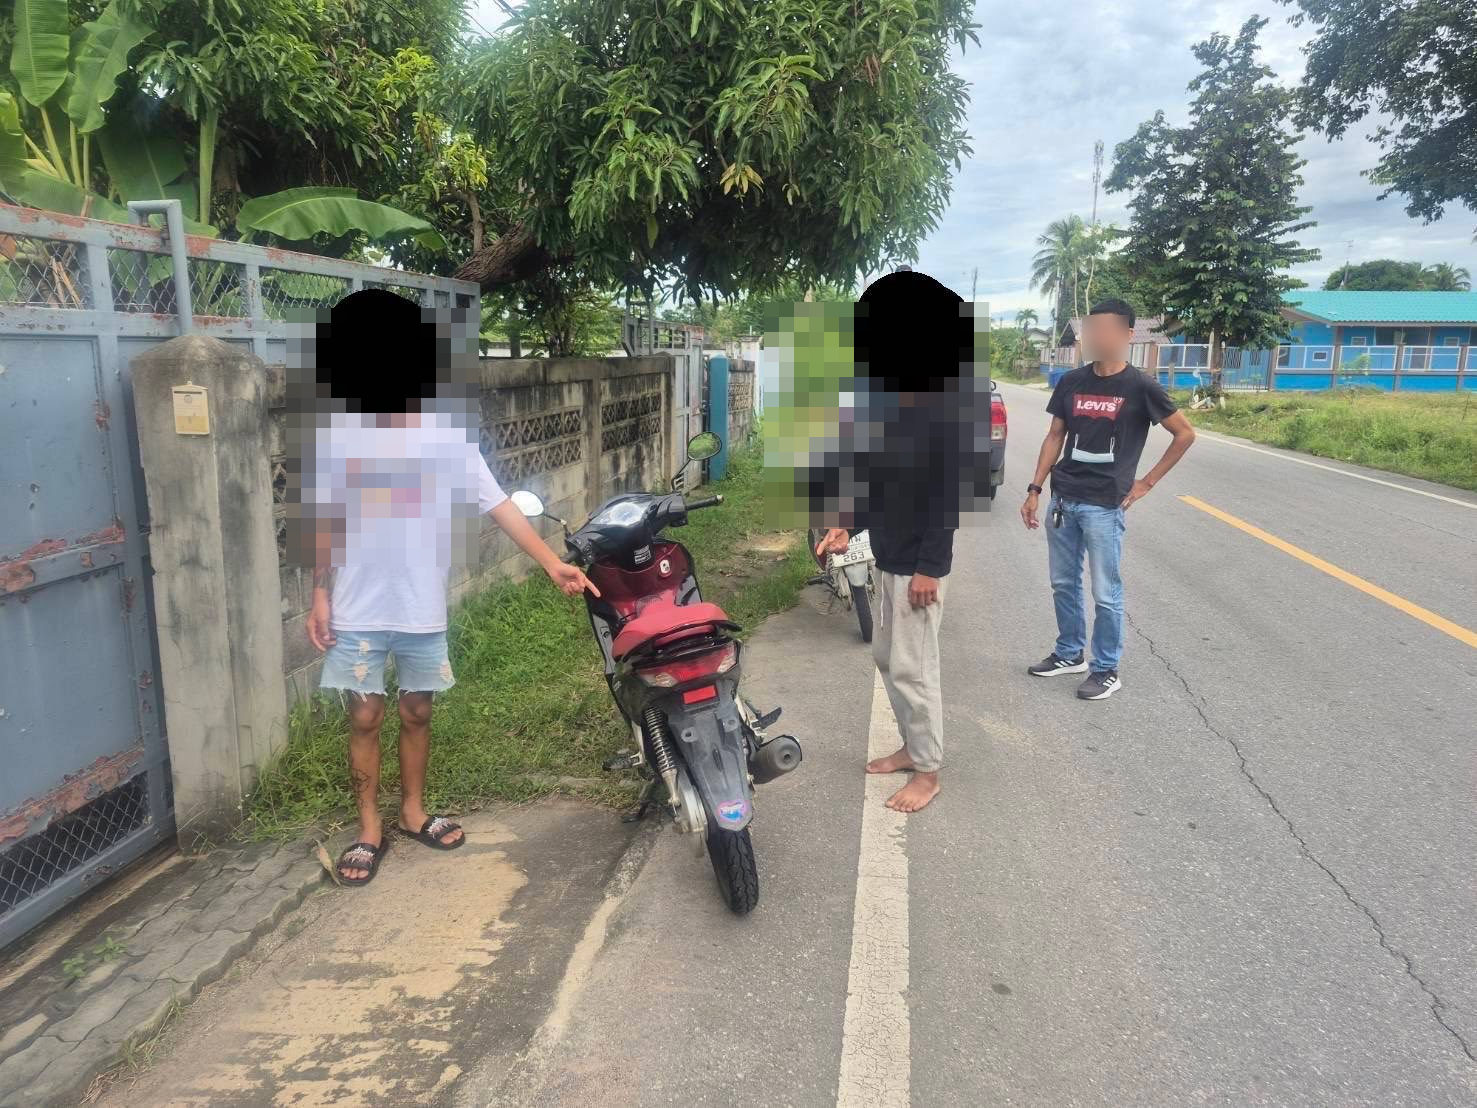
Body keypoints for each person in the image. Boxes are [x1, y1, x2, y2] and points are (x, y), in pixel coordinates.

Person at [302, 290, 597, 886]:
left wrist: (550, 563)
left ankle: (411, 812)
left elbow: (499, 505)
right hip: (357, 607)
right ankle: (368, 828)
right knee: (364, 717)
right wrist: (320, 595)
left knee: (416, 710)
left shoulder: (446, 437)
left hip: (419, 606)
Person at [814, 269, 987, 813]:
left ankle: (928, 772)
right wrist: (847, 524)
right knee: (887, 656)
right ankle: (913, 748)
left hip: (919, 562)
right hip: (890, 552)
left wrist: (930, 568)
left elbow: (947, 497)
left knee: (914, 668)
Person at [1020, 298, 1195, 700]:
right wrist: (1035, 489)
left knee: (1105, 592)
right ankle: (1069, 653)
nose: (1095, 337)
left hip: (1104, 504)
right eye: (1090, 330)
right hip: (1064, 499)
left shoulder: (1141, 386)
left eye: (1104, 330)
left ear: (1127, 335)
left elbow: (1184, 434)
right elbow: (1055, 436)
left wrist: (1146, 482)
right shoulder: (1071, 381)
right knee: (1063, 583)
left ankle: (1106, 669)